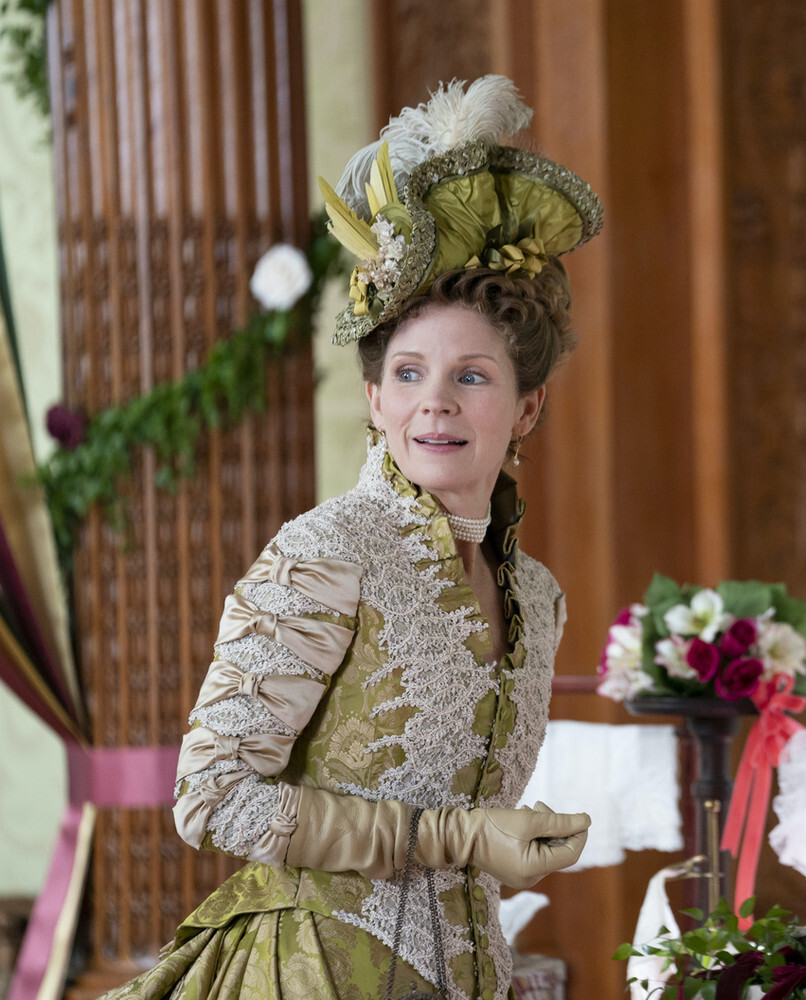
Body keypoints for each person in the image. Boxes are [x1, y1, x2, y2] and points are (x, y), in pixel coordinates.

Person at [103, 76, 603, 1000]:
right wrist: (457, 837)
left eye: (472, 376)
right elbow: (212, 798)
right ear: (375, 401)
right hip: (311, 974)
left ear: (527, 407)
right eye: (408, 373)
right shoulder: (329, 551)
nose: (434, 403)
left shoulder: (538, 596)